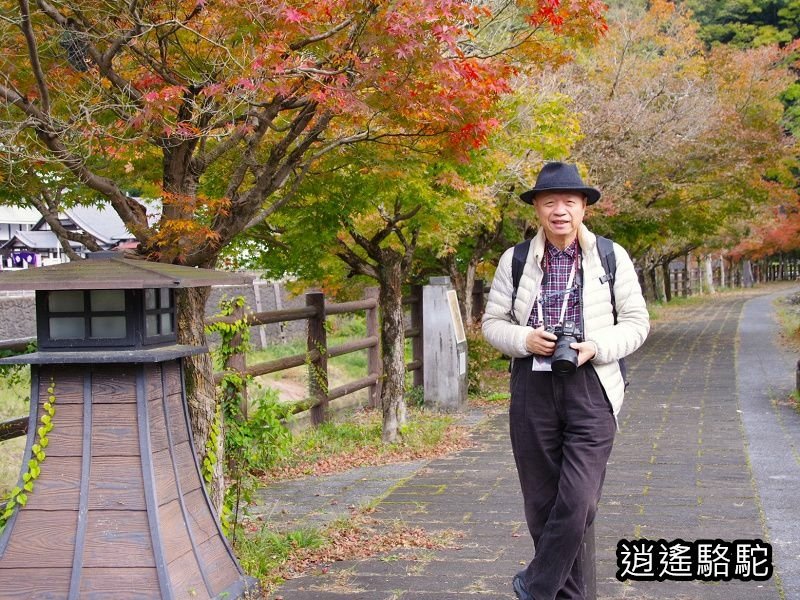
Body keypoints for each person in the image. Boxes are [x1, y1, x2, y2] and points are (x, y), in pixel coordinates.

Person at [481, 162, 649, 600]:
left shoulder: (610, 256)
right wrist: (525, 339)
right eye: (549, 202)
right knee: (541, 506)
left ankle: (536, 586)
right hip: (532, 388)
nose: (559, 211)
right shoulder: (516, 260)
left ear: (584, 209)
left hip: (593, 387)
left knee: (578, 502)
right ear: (537, 208)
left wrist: (595, 345)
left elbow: (636, 323)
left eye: (569, 202)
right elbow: (492, 323)